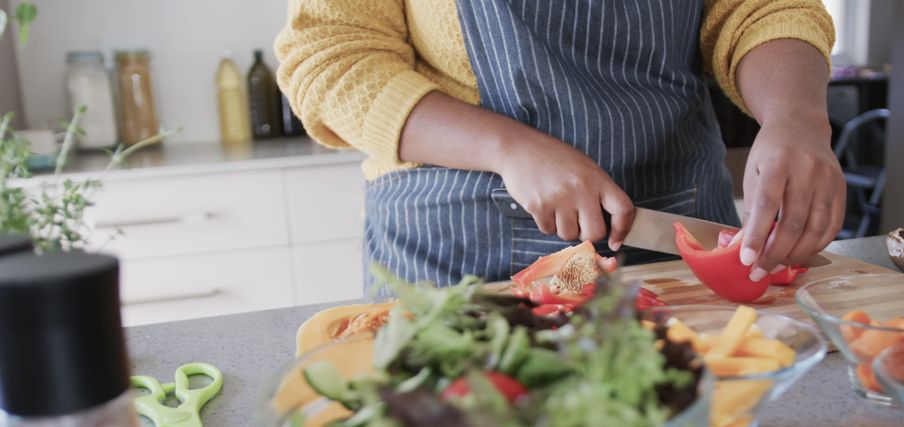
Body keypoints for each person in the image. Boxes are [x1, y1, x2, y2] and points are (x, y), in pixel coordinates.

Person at [275, 0, 845, 289]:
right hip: (458, 256)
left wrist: (796, 118)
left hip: (673, 240)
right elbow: (331, 60)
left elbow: (763, 7)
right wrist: (510, 148)